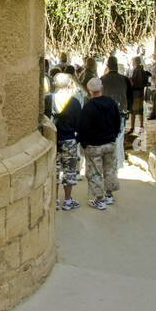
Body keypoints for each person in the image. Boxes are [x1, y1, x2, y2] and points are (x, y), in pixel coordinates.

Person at [76, 76, 126, 210]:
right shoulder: (111, 102)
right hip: (109, 142)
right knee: (110, 169)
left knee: (95, 172)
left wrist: (83, 143)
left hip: (94, 145)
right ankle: (109, 195)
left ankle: (99, 199)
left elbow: (83, 127)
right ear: (101, 87)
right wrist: (114, 135)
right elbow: (117, 121)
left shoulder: (88, 107)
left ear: (89, 90)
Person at [47, 70, 85, 212]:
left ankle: (55, 200)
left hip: (53, 139)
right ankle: (67, 200)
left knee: (55, 170)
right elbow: (79, 123)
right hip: (69, 139)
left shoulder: (49, 100)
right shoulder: (74, 102)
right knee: (69, 170)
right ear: (69, 85)